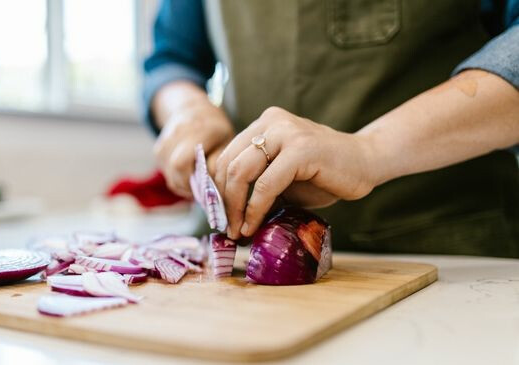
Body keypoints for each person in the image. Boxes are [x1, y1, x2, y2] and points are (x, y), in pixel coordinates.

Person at [143, 0, 519, 257]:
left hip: (444, 251)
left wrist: (369, 151)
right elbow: (172, 56)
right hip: (243, 254)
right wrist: (186, 108)